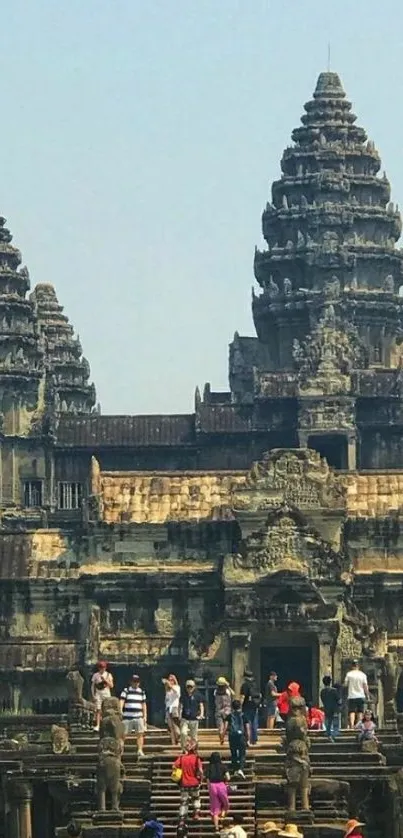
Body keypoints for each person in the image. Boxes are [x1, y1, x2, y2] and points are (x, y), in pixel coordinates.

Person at [173, 740, 203, 822]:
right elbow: (200, 771)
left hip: (184, 783)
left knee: (184, 800)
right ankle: (196, 813)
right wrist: (201, 779)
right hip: (194, 782)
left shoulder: (182, 758)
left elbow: (174, 766)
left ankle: (182, 817)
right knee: (196, 798)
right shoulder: (197, 759)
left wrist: (180, 771)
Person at [119, 673, 147, 757]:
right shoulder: (126, 690)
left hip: (139, 716)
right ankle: (120, 750)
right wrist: (120, 710)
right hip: (127, 716)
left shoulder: (141, 692)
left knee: (140, 734)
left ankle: (139, 750)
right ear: (131, 682)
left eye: (137, 682)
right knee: (123, 734)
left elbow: (144, 704)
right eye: (134, 681)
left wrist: (145, 716)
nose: (136, 683)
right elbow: (121, 701)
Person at [206, 751, 230, 832]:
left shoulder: (208, 767)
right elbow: (228, 777)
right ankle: (222, 817)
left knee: (215, 809)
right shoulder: (223, 766)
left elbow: (207, 779)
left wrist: (209, 788)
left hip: (212, 786)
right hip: (221, 785)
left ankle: (216, 827)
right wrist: (226, 781)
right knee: (225, 804)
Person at [179, 680, 204, 750]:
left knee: (194, 737)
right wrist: (179, 715)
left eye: (191, 687)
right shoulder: (183, 696)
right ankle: (184, 749)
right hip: (185, 718)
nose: (189, 688)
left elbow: (201, 705)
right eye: (188, 687)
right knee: (183, 733)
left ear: (194, 687)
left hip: (194, 719)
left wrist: (201, 714)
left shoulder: (198, 695)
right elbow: (180, 706)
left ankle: (194, 751)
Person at [344, 660, 369, 729]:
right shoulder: (363, 675)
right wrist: (367, 695)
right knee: (360, 711)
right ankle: (359, 725)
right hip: (361, 695)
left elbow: (345, 684)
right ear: (358, 666)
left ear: (352, 666)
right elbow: (365, 686)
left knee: (352, 711)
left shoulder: (349, 674)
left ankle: (352, 725)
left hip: (352, 695)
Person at [225, 699, 246, 779]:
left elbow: (225, 727)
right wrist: (248, 738)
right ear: (240, 706)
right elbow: (247, 727)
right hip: (241, 737)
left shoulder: (229, 716)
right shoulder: (243, 715)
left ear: (232, 707)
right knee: (242, 754)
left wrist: (222, 737)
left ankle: (235, 770)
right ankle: (240, 769)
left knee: (233, 753)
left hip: (232, 736)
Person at [91, 661, 114, 732]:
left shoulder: (108, 675)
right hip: (98, 693)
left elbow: (111, 686)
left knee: (107, 709)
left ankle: (107, 725)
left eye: (103, 667)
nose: (102, 669)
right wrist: (93, 695)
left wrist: (105, 680)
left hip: (106, 693)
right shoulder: (95, 675)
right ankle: (98, 725)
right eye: (101, 667)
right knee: (98, 709)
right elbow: (93, 686)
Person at [240, 669, 260, 745]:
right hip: (255, 705)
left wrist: (240, 706)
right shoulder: (255, 684)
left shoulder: (245, 685)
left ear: (245, 677)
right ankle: (254, 739)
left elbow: (242, 697)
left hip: (247, 706)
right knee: (254, 722)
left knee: (247, 723)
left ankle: (248, 739)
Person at [320, 675, 341, 741]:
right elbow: (339, 700)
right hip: (334, 709)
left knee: (328, 724)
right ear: (330, 682)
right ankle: (333, 735)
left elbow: (322, 700)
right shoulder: (334, 691)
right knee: (335, 725)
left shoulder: (322, 691)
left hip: (326, 709)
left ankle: (328, 734)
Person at [214, 677, 233, 745]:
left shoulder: (215, 691)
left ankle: (221, 738)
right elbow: (233, 694)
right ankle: (223, 735)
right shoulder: (227, 691)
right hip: (227, 710)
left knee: (220, 726)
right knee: (226, 725)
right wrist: (228, 686)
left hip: (218, 710)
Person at [163, 674, 181, 746]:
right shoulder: (167, 690)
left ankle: (179, 740)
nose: (170, 681)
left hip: (174, 708)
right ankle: (173, 742)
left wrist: (169, 684)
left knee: (176, 725)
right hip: (168, 709)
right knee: (170, 727)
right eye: (169, 680)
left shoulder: (177, 687)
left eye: (171, 680)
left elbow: (177, 694)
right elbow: (166, 701)